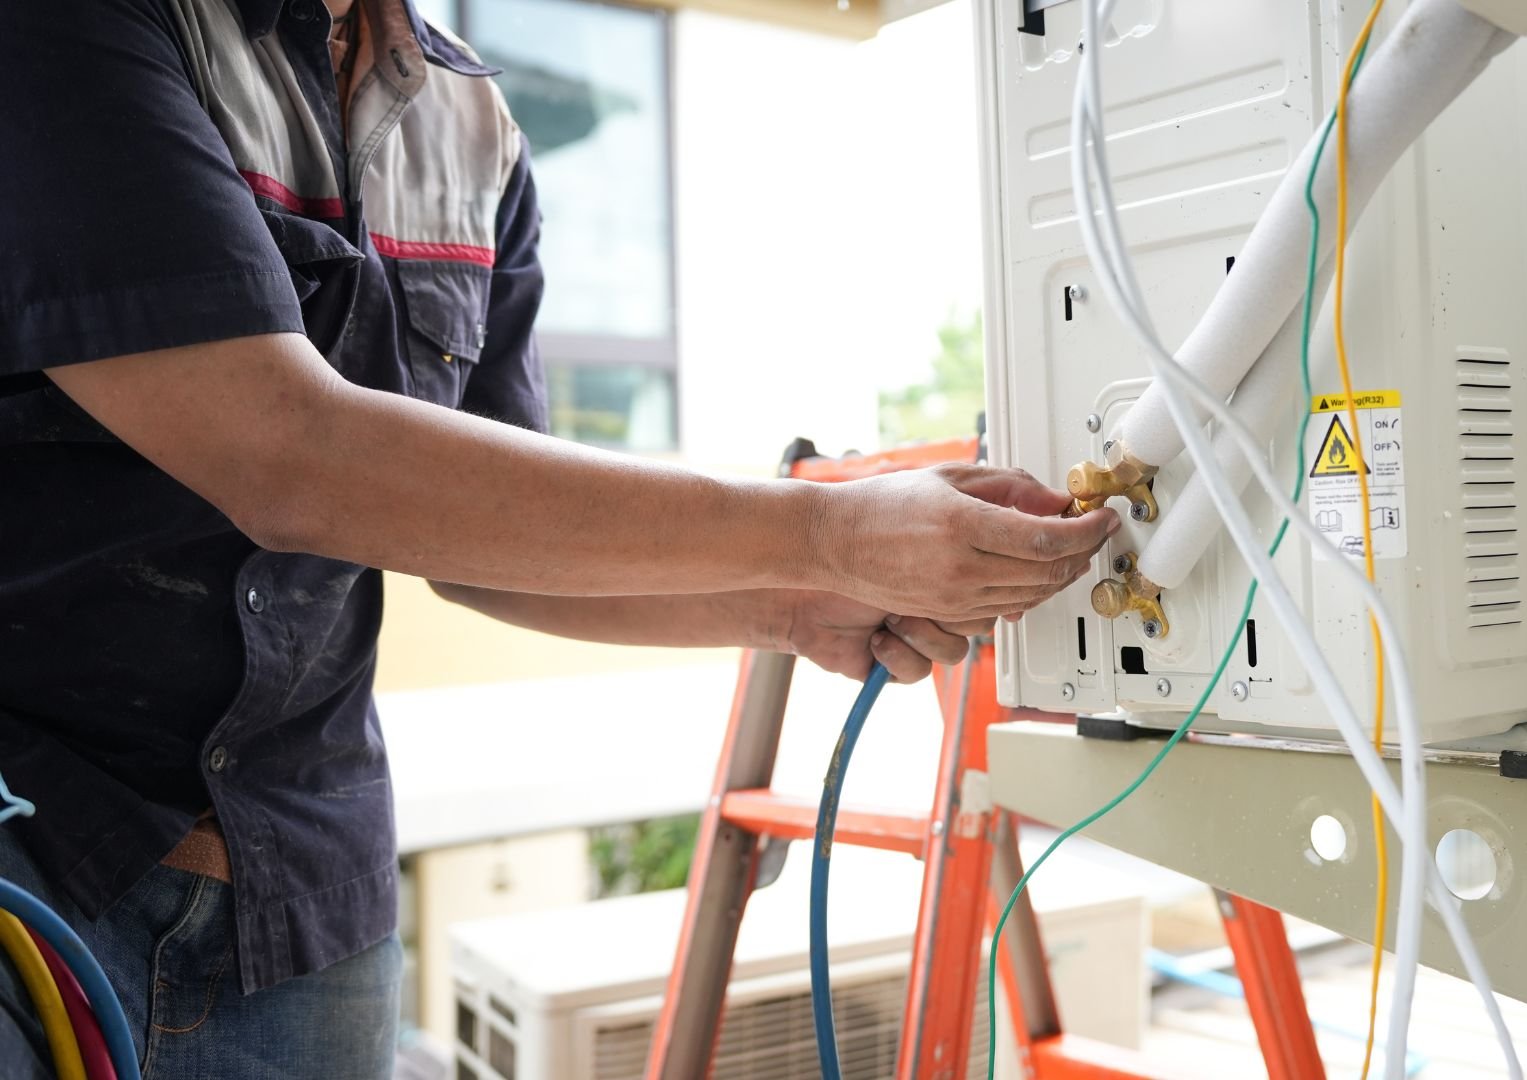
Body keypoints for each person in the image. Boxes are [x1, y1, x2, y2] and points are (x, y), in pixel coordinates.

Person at [0, 2, 1118, 1075]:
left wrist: (790, 603)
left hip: (306, 912)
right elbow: (283, 452)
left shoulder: (470, 126)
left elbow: (481, 552)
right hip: (38, 867)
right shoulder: (81, 24)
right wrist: (824, 534)